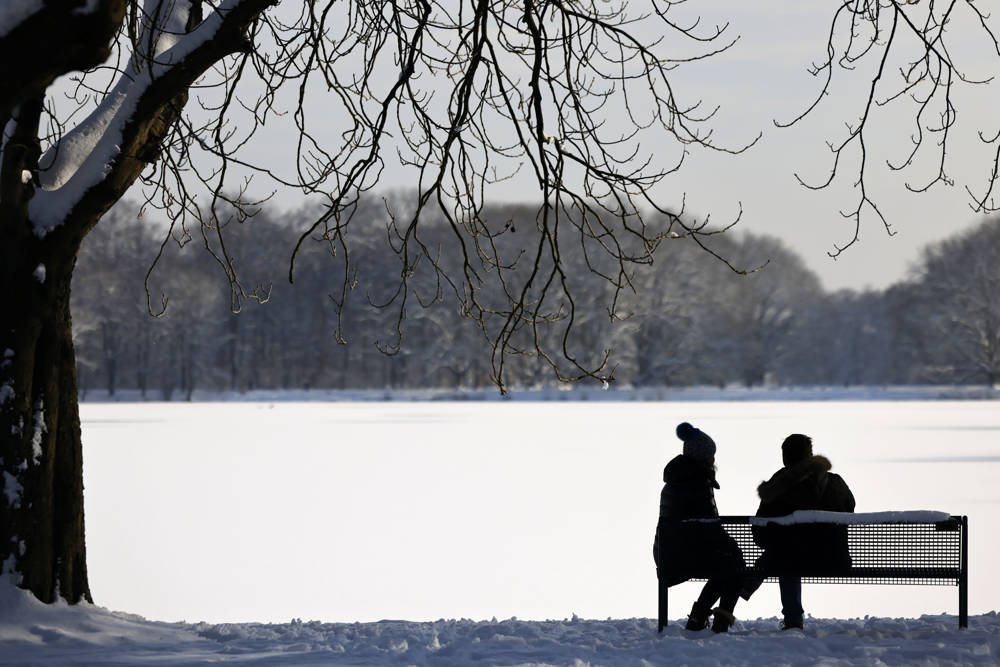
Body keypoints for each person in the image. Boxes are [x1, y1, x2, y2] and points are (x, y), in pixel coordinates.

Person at [748, 434, 856, 630]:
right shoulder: (836, 483)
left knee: (784, 553)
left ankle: (793, 618)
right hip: (834, 559)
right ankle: (753, 581)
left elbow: (762, 528)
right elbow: (850, 510)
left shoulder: (778, 486)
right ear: (810, 455)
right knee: (787, 551)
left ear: (785, 457)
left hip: (792, 559)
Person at [653, 422, 744, 633]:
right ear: (703, 458)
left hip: (669, 554)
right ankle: (716, 621)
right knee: (734, 564)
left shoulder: (676, 479)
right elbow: (709, 526)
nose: (714, 460)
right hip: (685, 556)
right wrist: (731, 546)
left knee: (728, 563)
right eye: (711, 455)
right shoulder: (698, 482)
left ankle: (698, 617)